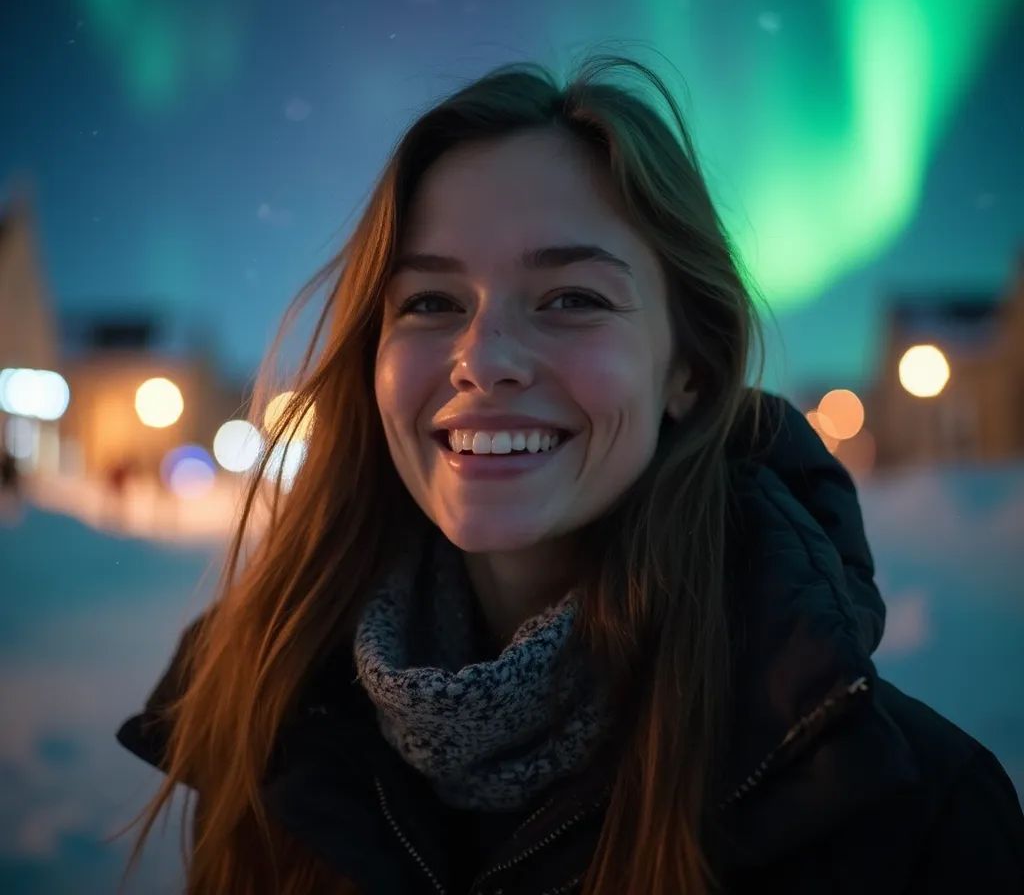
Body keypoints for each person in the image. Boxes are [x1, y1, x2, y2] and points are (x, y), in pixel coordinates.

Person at [113, 55, 1024, 895]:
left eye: (571, 300)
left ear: (689, 369)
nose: (484, 359)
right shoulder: (266, 719)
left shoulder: (906, 812)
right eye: (431, 301)